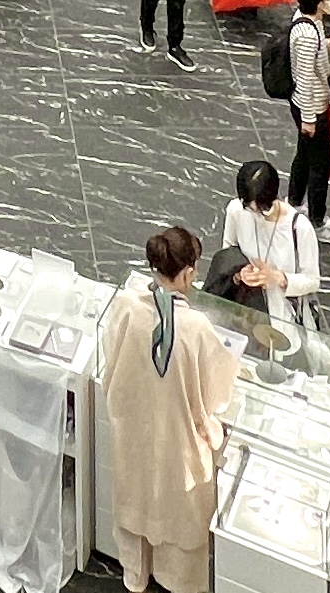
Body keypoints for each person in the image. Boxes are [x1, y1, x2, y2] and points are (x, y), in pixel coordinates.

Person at [99, 226, 237, 593]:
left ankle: (136, 575)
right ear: (189, 273)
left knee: (137, 499)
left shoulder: (128, 307)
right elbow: (218, 394)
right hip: (178, 445)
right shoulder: (196, 329)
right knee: (177, 518)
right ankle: (177, 583)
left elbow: (109, 365)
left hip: (135, 433)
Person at [221, 157, 321, 335]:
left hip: (283, 316)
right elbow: (227, 253)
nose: (255, 214)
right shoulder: (236, 211)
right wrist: (239, 272)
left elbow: (312, 281)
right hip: (245, 308)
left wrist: (278, 277)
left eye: (260, 209)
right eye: (248, 207)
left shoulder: (299, 228)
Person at [280, 0, 330, 231]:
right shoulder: (306, 34)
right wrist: (309, 119)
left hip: (308, 106)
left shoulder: (308, 22)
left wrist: (326, 44)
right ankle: (316, 219)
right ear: (318, 0)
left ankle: (293, 201)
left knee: (304, 155)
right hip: (311, 106)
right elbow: (303, 77)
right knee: (319, 165)